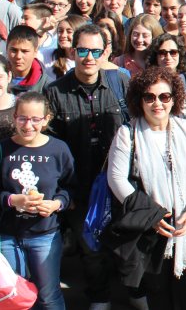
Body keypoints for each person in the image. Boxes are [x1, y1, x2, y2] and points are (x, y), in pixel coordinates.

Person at [109, 66, 186, 310]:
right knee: (159, 299)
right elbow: (116, 179)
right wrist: (152, 216)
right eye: (150, 97)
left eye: (164, 96)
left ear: (174, 98)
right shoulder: (128, 133)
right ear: (140, 100)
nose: (157, 103)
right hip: (151, 230)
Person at [44, 24, 130, 310]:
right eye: (83, 50)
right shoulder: (55, 92)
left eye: (96, 51)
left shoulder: (120, 83)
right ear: (72, 51)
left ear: (106, 52)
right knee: (90, 247)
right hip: (79, 184)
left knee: (124, 243)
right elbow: (50, 145)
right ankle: (100, 298)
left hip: (118, 182)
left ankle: (133, 294)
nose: (89, 57)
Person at [0, 90, 74, 310]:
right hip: (7, 235)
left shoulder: (58, 149)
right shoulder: (1, 149)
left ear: (46, 119)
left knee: (48, 295)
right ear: (14, 117)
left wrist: (56, 204)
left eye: (35, 119)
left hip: (45, 235)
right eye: (22, 118)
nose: (28, 125)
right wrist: (12, 200)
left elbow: (70, 187)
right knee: (14, 296)